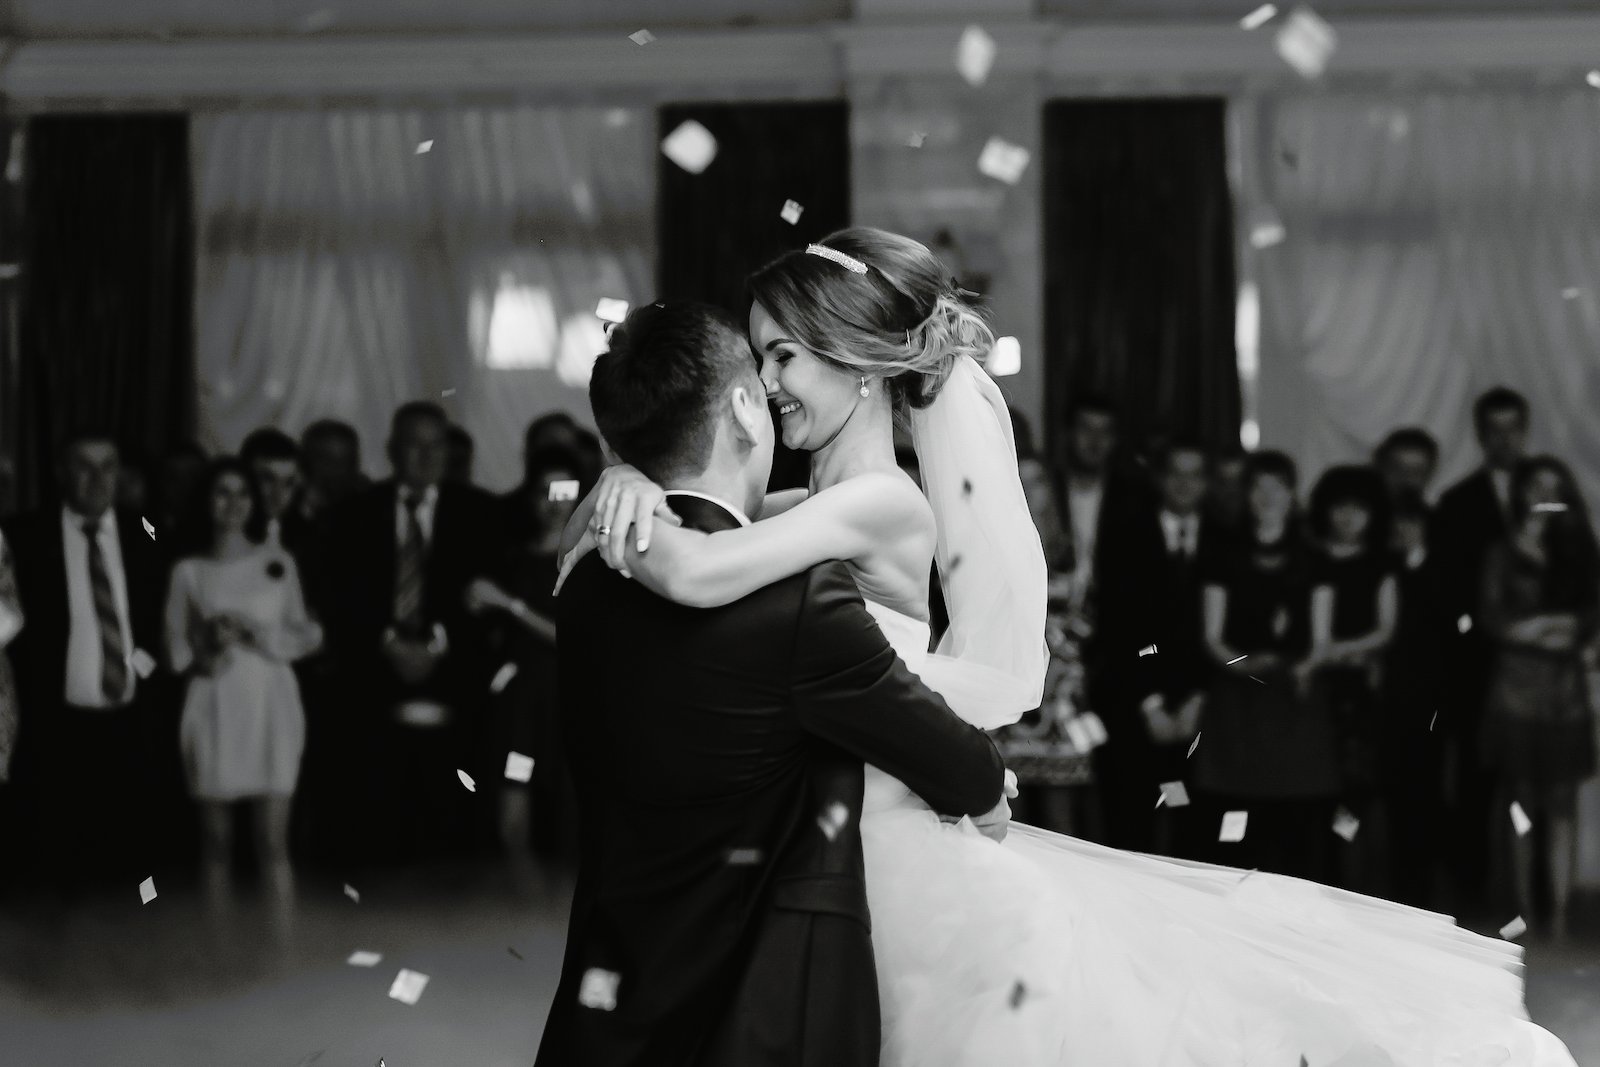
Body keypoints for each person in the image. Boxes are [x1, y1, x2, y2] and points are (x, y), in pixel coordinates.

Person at [563, 229, 1577, 1065]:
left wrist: (623, 490)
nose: (767, 381)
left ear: (858, 360)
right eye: (761, 358)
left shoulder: (879, 499)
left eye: (783, 354)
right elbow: (719, 523)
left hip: (887, 843)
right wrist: (639, 475)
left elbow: (703, 567)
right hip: (840, 834)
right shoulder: (811, 499)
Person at [535, 301, 1009, 1067]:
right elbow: (966, 770)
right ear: (744, 408)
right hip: (754, 1015)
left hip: (608, 1003)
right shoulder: (799, 602)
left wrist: (619, 474)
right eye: (765, 375)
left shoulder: (585, 578)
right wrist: (984, 772)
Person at [320, 402, 508, 864]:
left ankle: (458, 865)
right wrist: (389, 643)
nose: (425, 456)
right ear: (391, 449)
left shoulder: (483, 513)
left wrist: (437, 644)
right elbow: (338, 595)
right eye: (413, 444)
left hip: (455, 670)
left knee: (455, 792)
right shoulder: (353, 513)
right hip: (372, 668)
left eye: (435, 445)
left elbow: (491, 598)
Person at [2, 429, 173, 895]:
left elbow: (156, 623)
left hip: (131, 719)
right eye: (84, 465)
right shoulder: (23, 536)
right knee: (57, 868)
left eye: (108, 466)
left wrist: (144, 673)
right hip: (54, 723)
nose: (97, 479)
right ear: (61, 472)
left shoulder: (147, 533)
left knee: (133, 869)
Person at [164, 458, 322, 940]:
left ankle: (283, 947)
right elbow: (174, 651)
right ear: (206, 501)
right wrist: (208, 644)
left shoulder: (278, 562)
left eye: (242, 493)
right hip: (214, 702)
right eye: (222, 493)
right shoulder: (189, 570)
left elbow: (304, 633)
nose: (233, 504)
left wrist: (258, 635)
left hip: (271, 700)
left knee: (273, 841)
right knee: (216, 842)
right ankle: (219, 951)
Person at [1478, 456, 1599, 942]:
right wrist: (1551, 627)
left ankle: (1562, 914)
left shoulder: (1581, 550)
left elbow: (1587, 621)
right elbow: (1495, 622)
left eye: (1555, 487)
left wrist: (1546, 628)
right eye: (1536, 486)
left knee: (1564, 803)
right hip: (1516, 693)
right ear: (1521, 493)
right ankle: (1526, 908)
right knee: (1521, 802)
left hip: (1565, 694)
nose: (1545, 496)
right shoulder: (1501, 551)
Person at [465, 444, 590, 892]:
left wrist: (509, 605)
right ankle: (517, 890)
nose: (555, 503)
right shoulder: (514, 557)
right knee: (514, 779)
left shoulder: (589, 557)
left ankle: (560, 898)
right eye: (544, 491)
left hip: (569, 700)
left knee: (570, 796)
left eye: (565, 491)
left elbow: (573, 638)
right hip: (521, 703)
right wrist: (479, 602)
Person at [1434, 386, 1531, 918]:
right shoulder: (1458, 502)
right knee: (1474, 781)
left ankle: (1539, 897)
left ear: (1525, 430)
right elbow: (1451, 592)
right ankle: (1470, 895)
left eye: (1512, 428)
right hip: (1477, 667)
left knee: (1535, 784)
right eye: (1494, 429)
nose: (1504, 439)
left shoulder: (1548, 490)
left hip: (1538, 669)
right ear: (1480, 434)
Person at [1301, 465, 1398, 894]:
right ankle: (1320, 878)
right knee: (1313, 791)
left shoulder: (1381, 564)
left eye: (1358, 508)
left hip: (1358, 696)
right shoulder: (1308, 558)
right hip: (1311, 692)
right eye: (1340, 506)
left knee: (1354, 793)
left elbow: (1386, 630)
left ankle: (1353, 885)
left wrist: (1332, 651)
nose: (1348, 517)